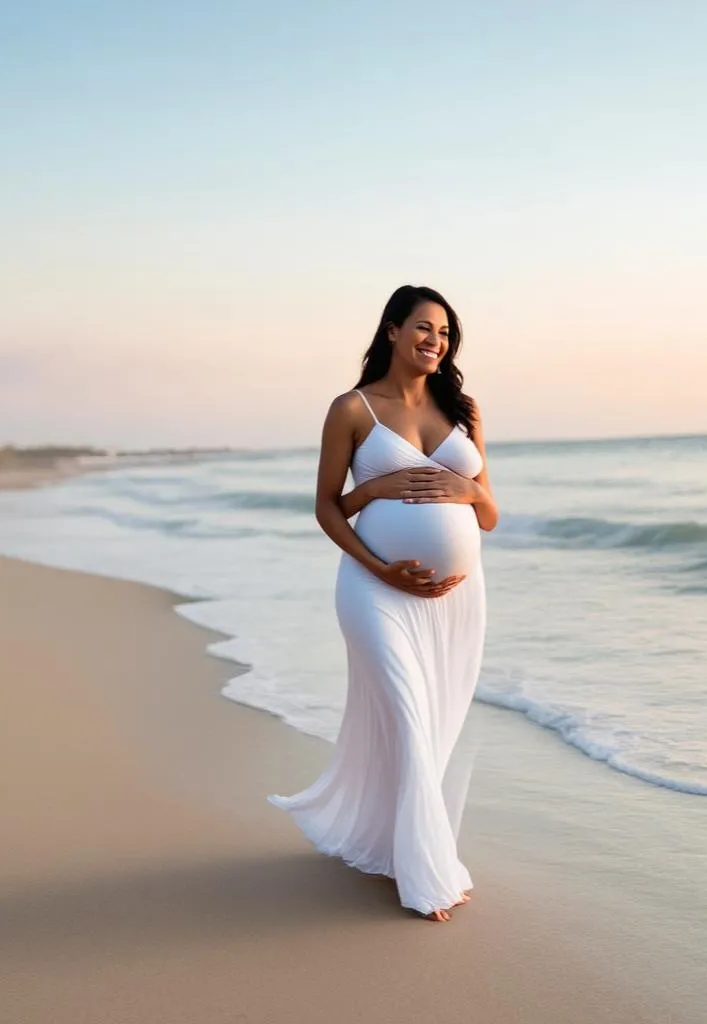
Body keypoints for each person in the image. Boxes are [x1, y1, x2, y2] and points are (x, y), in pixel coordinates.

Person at [269, 284, 498, 922]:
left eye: (446, 334)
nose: (436, 341)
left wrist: (465, 489)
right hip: (374, 589)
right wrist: (376, 500)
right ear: (393, 331)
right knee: (405, 712)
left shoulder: (465, 410)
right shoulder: (352, 410)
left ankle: (397, 846)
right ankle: (427, 875)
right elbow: (325, 507)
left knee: (433, 726)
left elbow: (490, 513)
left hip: (456, 599)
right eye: (424, 328)